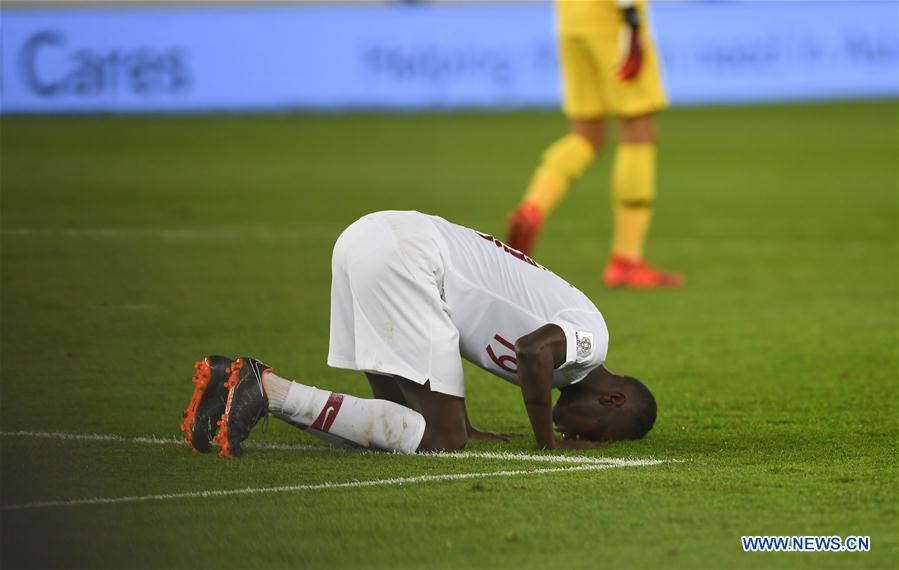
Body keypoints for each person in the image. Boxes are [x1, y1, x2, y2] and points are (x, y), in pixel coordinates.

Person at [180, 211, 657, 458]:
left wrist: (463, 419)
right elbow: (533, 350)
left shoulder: (565, 373)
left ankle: (240, 389)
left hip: (371, 240)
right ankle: (266, 390)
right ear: (612, 400)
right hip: (408, 257)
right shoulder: (593, 340)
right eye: (597, 433)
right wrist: (547, 445)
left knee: (404, 425)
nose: (577, 433)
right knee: (442, 439)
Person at [506, 0, 682, 289]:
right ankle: (627, 260)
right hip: (611, 20)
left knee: (586, 135)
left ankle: (532, 208)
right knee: (638, 130)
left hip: (571, 19)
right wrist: (629, 14)